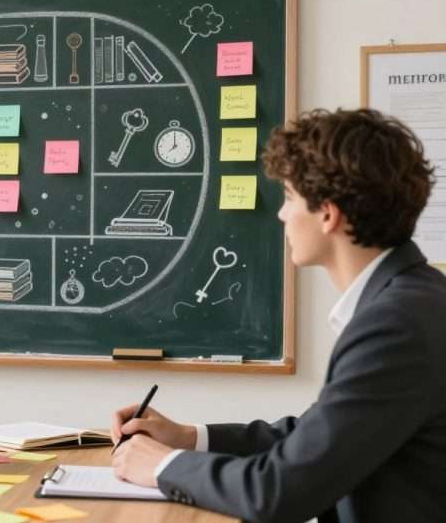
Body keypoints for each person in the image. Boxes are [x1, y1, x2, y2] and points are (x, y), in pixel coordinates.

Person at [110, 108, 446, 523]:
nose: (281, 215)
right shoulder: (410, 301)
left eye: (289, 197)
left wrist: (161, 466)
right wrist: (188, 438)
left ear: (328, 212)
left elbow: (279, 492)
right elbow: (312, 438)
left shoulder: (397, 325)